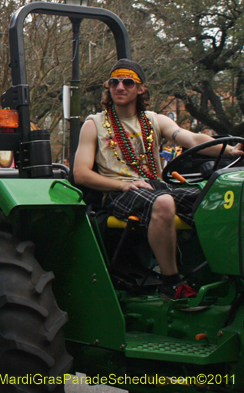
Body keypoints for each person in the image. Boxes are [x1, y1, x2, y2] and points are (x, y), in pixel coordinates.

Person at [73, 59, 244, 300]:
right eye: (114, 82)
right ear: (108, 88)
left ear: (140, 89)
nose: (120, 87)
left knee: (215, 200)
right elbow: (81, 173)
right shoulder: (94, 124)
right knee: (163, 202)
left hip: (155, 186)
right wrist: (123, 184)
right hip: (117, 192)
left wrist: (230, 151)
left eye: (127, 82)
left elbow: (193, 140)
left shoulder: (155, 120)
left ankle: (223, 277)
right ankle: (171, 283)